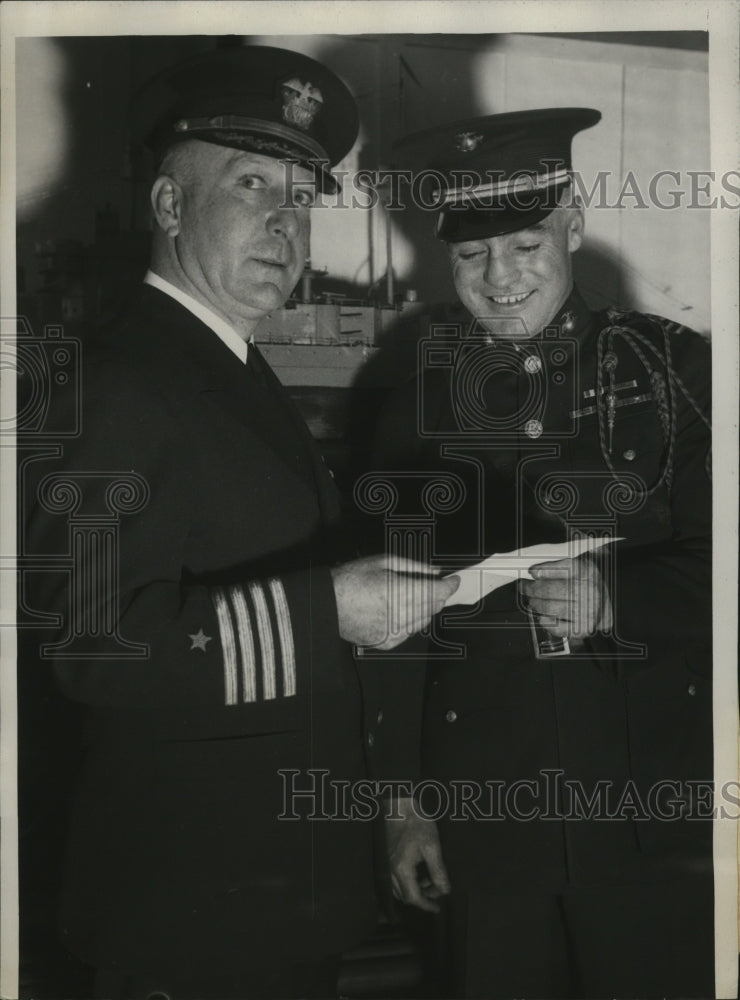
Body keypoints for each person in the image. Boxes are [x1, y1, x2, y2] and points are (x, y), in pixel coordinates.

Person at [21, 46, 458, 1000]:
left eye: (302, 198)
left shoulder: (228, 365)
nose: (284, 223)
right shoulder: (119, 378)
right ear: (169, 207)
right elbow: (91, 646)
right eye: (251, 183)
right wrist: (328, 612)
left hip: (267, 899)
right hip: (189, 915)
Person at [366, 109, 713, 998]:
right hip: (484, 824)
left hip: (648, 815)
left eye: (525, 244)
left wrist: (616, 597)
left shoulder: (676, 373)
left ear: (573, 225)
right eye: (474, 255)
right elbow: (387, 633)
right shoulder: (410, 403)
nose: (501, 277)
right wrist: (402, 804)